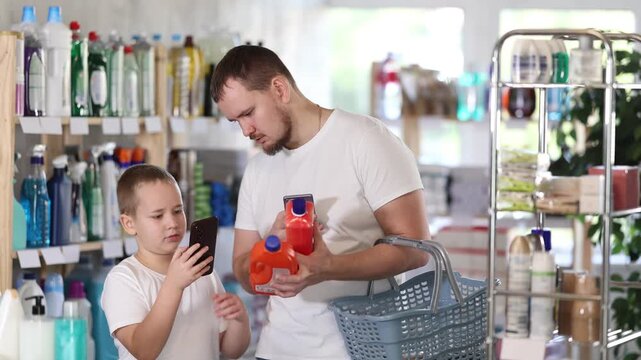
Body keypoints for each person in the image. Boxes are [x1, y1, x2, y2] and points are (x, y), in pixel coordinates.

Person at [211, 45, 431, 360]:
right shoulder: (258, 169)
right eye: (236, 121)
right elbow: (244, 272)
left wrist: (328, 267)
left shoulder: (366, 141)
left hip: (357, 351)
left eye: (248, 113)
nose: (246, 130)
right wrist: (271, 244)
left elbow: (417, 249)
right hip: (275, 351)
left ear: (279, 88)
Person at [101, 164, 251, 360]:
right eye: (157, 216)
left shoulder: (202, 271)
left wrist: (239, 320)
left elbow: (229, 350)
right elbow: (144, 351)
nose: (172, 223)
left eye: (178, 210)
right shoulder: (123, 279)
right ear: (129, 224)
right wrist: (174, 285)